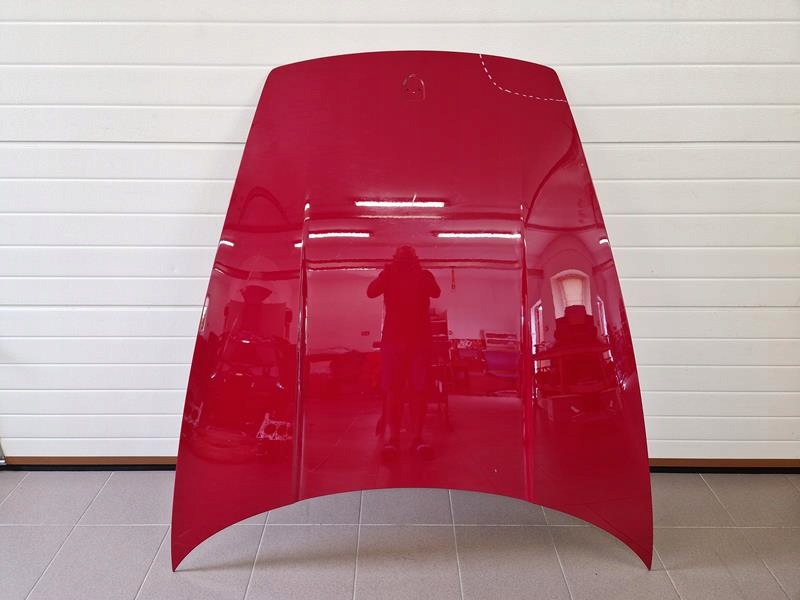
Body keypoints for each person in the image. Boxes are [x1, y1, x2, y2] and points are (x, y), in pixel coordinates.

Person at [367, 245, 441, 458]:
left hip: (415, 342)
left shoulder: (423, 275)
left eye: (407, 259)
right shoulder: (390, 274)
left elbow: (436, 292)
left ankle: (413, 438)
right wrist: (387, 273)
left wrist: (418, 273)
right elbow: (371, 292)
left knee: (415, 390)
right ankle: (396, 439)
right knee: (397, 391)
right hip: (399, 342)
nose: (405, 263)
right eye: (403, 259)